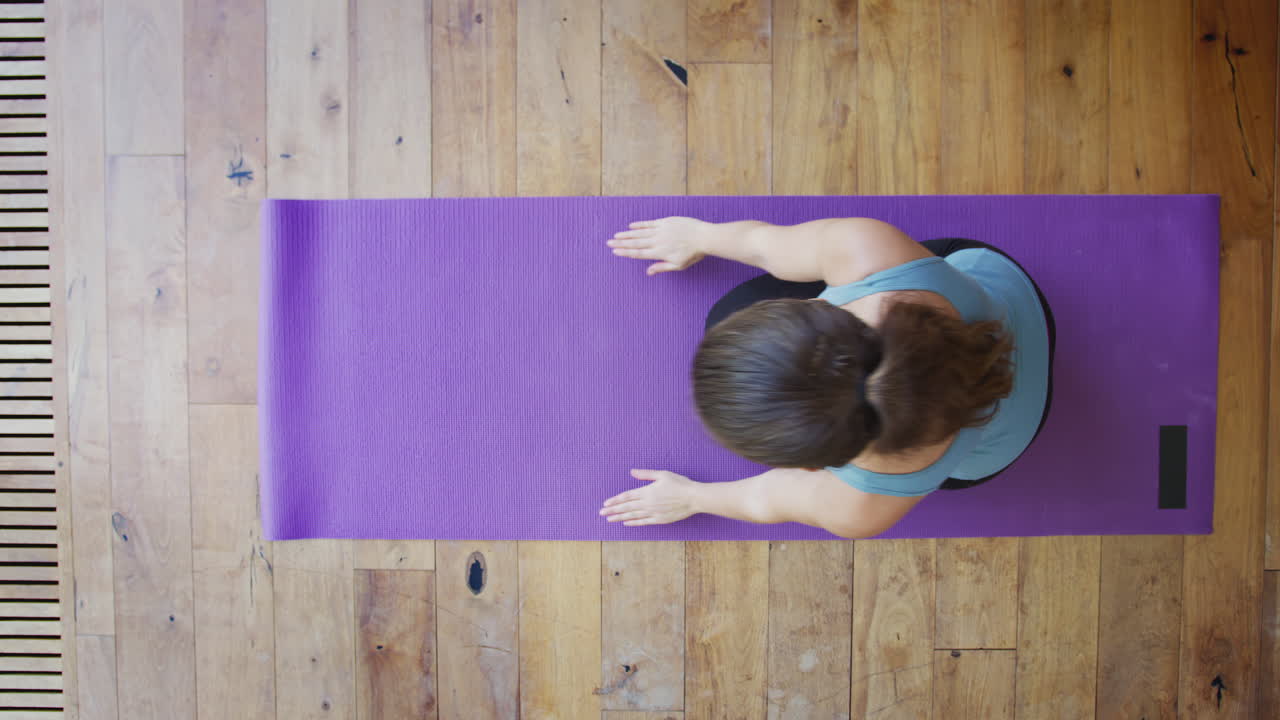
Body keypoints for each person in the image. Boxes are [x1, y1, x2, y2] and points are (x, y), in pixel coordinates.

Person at [598, 216, 1055, 538]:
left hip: (1008, 434)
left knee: (725, 313)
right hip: (1013, 296)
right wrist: (699, 233)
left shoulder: (858, 509)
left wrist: (694, 498)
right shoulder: (868, 252)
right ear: (815, 311)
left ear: (815, 465)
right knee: (727, 312)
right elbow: (761, 244)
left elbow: (768, 499)